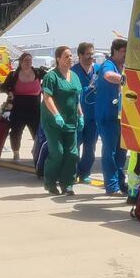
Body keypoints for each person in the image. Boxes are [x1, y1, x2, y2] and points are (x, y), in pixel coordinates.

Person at [40, 45, 83, 195]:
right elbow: (47, 97)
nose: (70, 58)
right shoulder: (51, 77)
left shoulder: (75, 76)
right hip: (53, 122)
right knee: (57, 152)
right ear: (58, 59)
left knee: (72, 154)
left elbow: (76, 98)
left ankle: (68, 183)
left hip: (71, 120)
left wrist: (81, 115)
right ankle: (50, 182)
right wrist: (56, 115)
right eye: (67, 56)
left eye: (71, 56)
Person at [0, 52, 47, 163]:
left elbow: (52, 79)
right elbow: (3, 87)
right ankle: (16, 154)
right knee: (16, 131)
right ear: (21, 62)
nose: (29, 62)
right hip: (18, 108)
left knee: (37, 132)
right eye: (26, 60)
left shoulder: (38, 72)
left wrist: (45, 89)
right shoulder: (14, 74)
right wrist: (10, 91)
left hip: (34, 108)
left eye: (30, 60)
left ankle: (36, 152)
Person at [95, 38, 127, 196]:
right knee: (110, 152)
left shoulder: (124, 67)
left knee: (121, 153)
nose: (125, 55)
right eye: (123, 52)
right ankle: (112, 186)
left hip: (121, 118)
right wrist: (124, 79)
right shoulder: (108, 65)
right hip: (107, 116)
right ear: (114, 51)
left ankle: (121, 183)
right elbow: (108, 75)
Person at [71, 42, 98, 184]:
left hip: (94, 116)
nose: (90, 57)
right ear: (80, 55)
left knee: (91, 147)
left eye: (92, 54)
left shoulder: (98, 70)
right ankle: (72, 172)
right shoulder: (73, 72)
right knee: (75, 146)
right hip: (77, 115)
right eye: (87, 54)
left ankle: (85, 172)